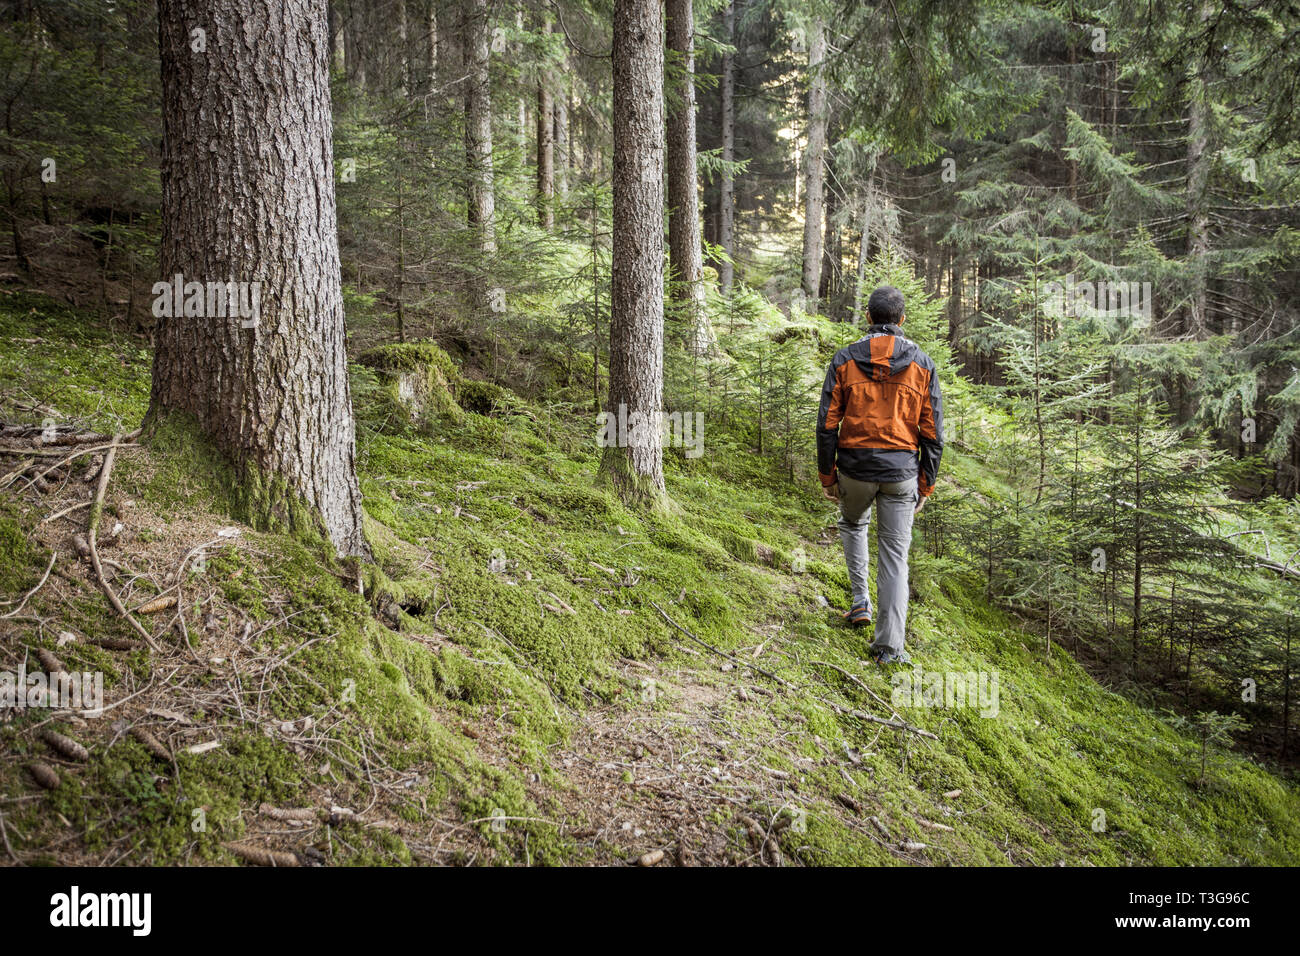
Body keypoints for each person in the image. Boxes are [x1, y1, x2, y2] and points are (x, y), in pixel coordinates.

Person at [816, 285, 943, 665]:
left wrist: (828, 476)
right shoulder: (922, 364)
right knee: (894, 557)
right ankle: (889, 648)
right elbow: (933, 433)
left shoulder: (843, 360)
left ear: (868, 318)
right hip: (901, 473)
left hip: (854, 469)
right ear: (901, 320)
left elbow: (826, 426)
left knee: (853, 525)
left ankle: (859, 604)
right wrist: (926, 484)